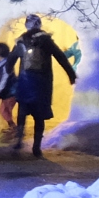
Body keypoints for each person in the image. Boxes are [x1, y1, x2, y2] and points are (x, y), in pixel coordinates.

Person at [9, 13, 77, 157]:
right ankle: (36, 148)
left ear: (27, 26)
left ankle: (19, 140)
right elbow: (60, 57)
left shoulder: (21, 41)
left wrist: (11, 76)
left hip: (25, 81)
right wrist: (71, 74)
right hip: (42, 83)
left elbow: (10, 61)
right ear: (39, 25)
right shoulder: (46, 41)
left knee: (23, 111)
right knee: (39, 116)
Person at [0, 42, 17, 132]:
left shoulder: (6, 66)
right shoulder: (5, 62)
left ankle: (13, 127)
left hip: (11, 92)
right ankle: (12, 126)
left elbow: (3, 81)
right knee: (4, 110)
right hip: (9, 92)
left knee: (4, 110)